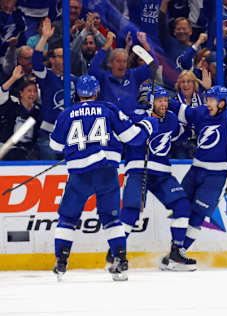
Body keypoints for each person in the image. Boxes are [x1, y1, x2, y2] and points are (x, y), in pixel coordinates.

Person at [48, 75, 157, 281]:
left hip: (79, 174)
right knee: (111, 218)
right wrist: (149, 125)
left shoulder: (66, 114)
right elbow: (132, 138)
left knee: (68, 218)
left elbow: (55, 146)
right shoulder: (108, 109)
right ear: (96, 92)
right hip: (106, 170)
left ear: (77, 93)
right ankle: (120, 261)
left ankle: (61, 262)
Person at [106, 85, 197, 271]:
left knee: (182, 206)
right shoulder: (137, 116)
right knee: (131, 212)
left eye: (165, 101)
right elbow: (124, 134)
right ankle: (116, 252)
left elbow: (182, 134)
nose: (164, 104)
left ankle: (176, 252)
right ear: (150, 101)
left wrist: (193, 131)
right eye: (159, 100)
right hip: (139, 169)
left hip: (162, 172)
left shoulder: (171, 119)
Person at [168, 82, 227, 261]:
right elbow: (182, 110)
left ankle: (179, 252)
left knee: (198, 214)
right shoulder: (201, 112)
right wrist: (159, 99)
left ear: (222, 103)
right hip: (196, 169)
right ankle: (175, 249)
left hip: (219, 175)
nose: (208, 103)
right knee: (181, 207)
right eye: (207, 99)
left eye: (212, 100)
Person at [32, 18, 78, 160]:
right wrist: (45, 37)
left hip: (70, 135)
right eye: (60, 56)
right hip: (48, 134)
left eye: (66, 57)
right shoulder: (47, 76)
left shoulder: (74, 79)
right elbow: (36, 62)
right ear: (52, 60)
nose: (64, 60)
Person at [0, 66, 41, 160]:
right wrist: (13, 78)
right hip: (6, 147)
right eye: (29, 91)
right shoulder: (12, 104)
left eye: (35, 91)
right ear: (21, 93)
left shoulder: (37, 111)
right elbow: (2, 94)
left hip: (27, 150)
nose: (32, 94)